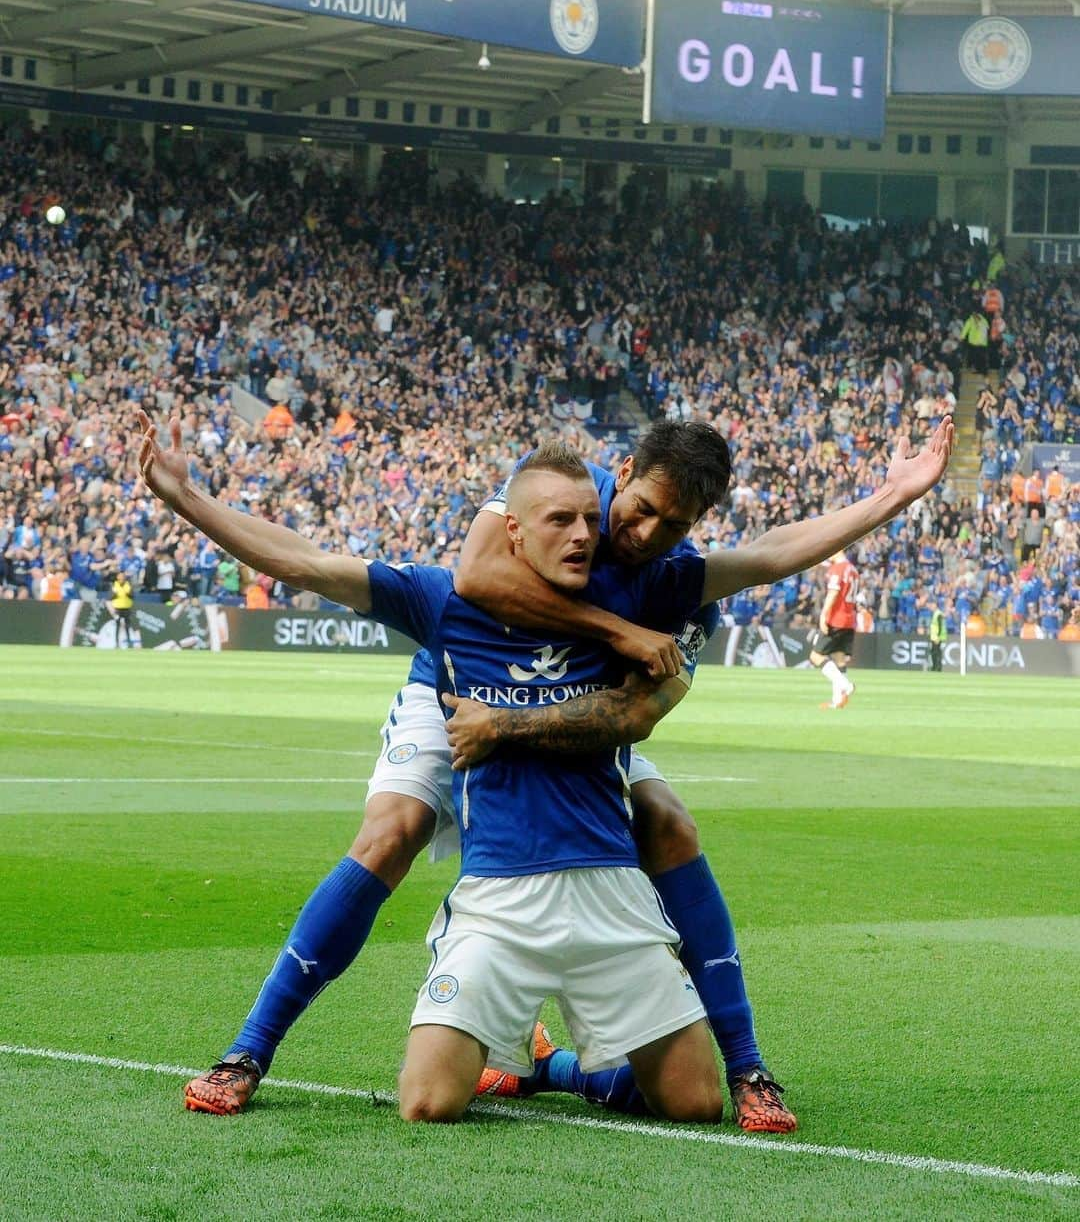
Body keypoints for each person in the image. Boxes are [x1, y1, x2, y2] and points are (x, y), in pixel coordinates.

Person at [139, 411, 953, 1126]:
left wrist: (895, 495)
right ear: (619, 478)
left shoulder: (673, 587)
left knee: (668, 822)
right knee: (390, 834)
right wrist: (189, 500)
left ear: (694, 522)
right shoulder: (563, 497)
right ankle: (248, 1051)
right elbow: (436, 573)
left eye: (670, 526)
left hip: (565, 721)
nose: (637, 535)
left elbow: (708, 629)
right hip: (454, 683)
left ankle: (736, 1066)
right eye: (633, 513)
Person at [809, 550, 858, 709]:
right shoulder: (853, 569)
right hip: (849, 620)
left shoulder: (838, 569)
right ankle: (837, 701)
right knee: (839, 659)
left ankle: (846, 685)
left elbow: (833, 592)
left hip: (836, 620)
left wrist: (824, 615)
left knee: (816, 656)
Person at [110, 568, 136, 649]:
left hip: (127, 608)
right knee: (117, 626)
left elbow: (132, 596)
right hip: (117, 608)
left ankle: (129, 643)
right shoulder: (114, 585)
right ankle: (116, 643)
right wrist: (115, 594)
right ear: (117, 577)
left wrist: (128, 593)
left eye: (123, 576)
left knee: (128, 626)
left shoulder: (128, 585)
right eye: (120, 576)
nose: (121, 577)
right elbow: (110, 597)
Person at [928, 602, 947, 672]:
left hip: (937, 637)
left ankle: (937, 667)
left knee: (936, 652)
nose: (931, 607)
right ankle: (935, 667)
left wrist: (938, 637)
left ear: (936, 606)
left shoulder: (938, 614)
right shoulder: (936, 614)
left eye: (932, 606)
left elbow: (940, 626)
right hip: (934, 636)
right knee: (935, 652)